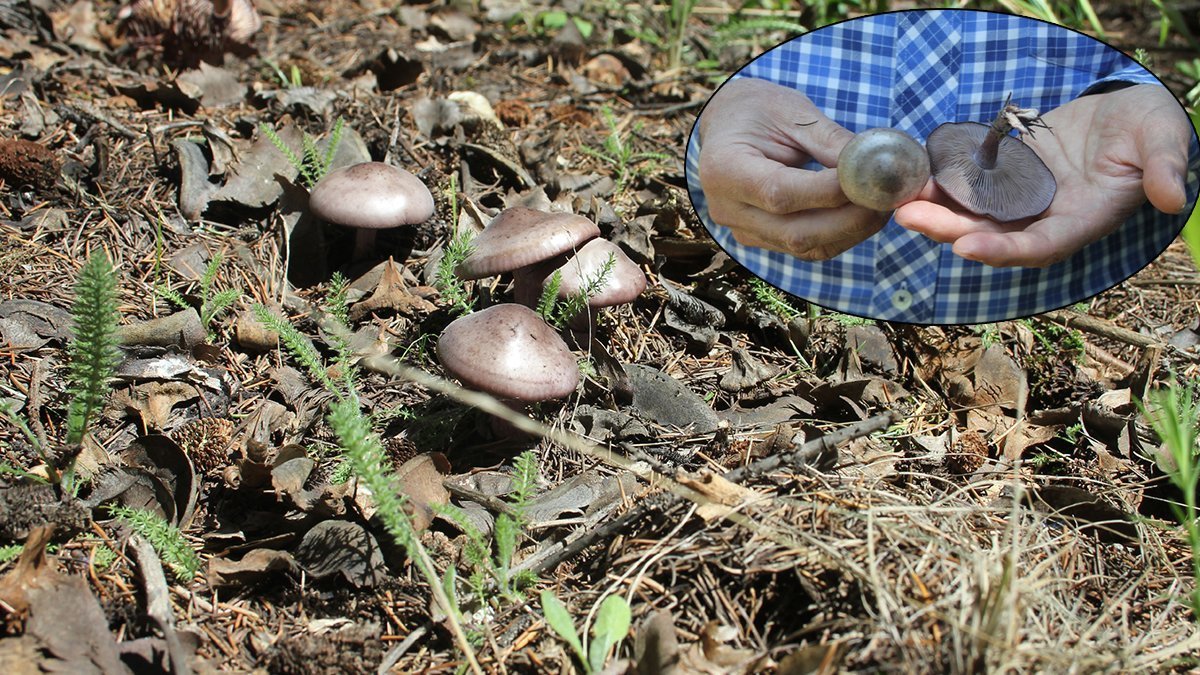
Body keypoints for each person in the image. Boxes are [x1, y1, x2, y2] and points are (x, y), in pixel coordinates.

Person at [687, 9, 1199, 324]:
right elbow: (712, 78)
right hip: (782, 286)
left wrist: (1142, 92)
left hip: (1056, 290)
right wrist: (722, 105)